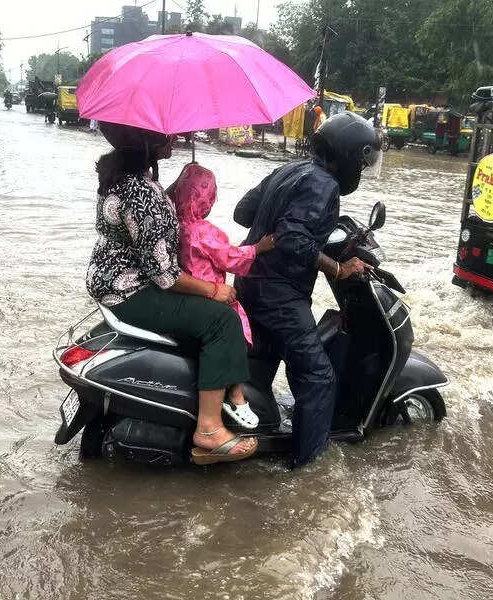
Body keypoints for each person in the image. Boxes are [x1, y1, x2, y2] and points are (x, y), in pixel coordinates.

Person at [85, 122, 257, 464]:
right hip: (133, 290)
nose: (173, 138)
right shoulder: (144, 193)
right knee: (222, 320)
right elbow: (165, 275)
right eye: (164, 135)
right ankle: (208, 428)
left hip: (110, 281)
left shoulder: (120, 180)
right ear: (146, 143)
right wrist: (214, 289)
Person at [233, 112, 378, 468]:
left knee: (263, 364)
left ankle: (261, 432)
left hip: (249, 281)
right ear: (347, 156)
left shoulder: (288, 170)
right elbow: (292, 237)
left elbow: (243, 213)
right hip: (278, 295)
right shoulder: (323, 184)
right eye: (361, 162)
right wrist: (339, 268)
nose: (359, 171)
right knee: (318, 377)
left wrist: (291, 222)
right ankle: (306, 469)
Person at [170, 162, 276, 429]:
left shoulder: (176, 225)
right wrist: (258, 248)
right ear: (206, 198)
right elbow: (229, 258)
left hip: (188, 296)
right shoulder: (203, 231)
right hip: (211, 295)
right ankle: (236, 394)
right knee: (237, 330)